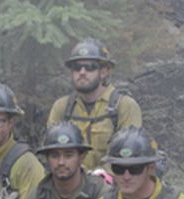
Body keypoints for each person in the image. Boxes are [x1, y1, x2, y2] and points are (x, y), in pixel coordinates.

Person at [47, 38, 142, 171]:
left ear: (103, 72)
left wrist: (104, 173)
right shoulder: (62, 107)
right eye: (77, 67)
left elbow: (131, 152)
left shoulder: (124, 106)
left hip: (114, 180)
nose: (82, 72)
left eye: (90, 67)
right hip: (71, 179)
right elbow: (52, 150)